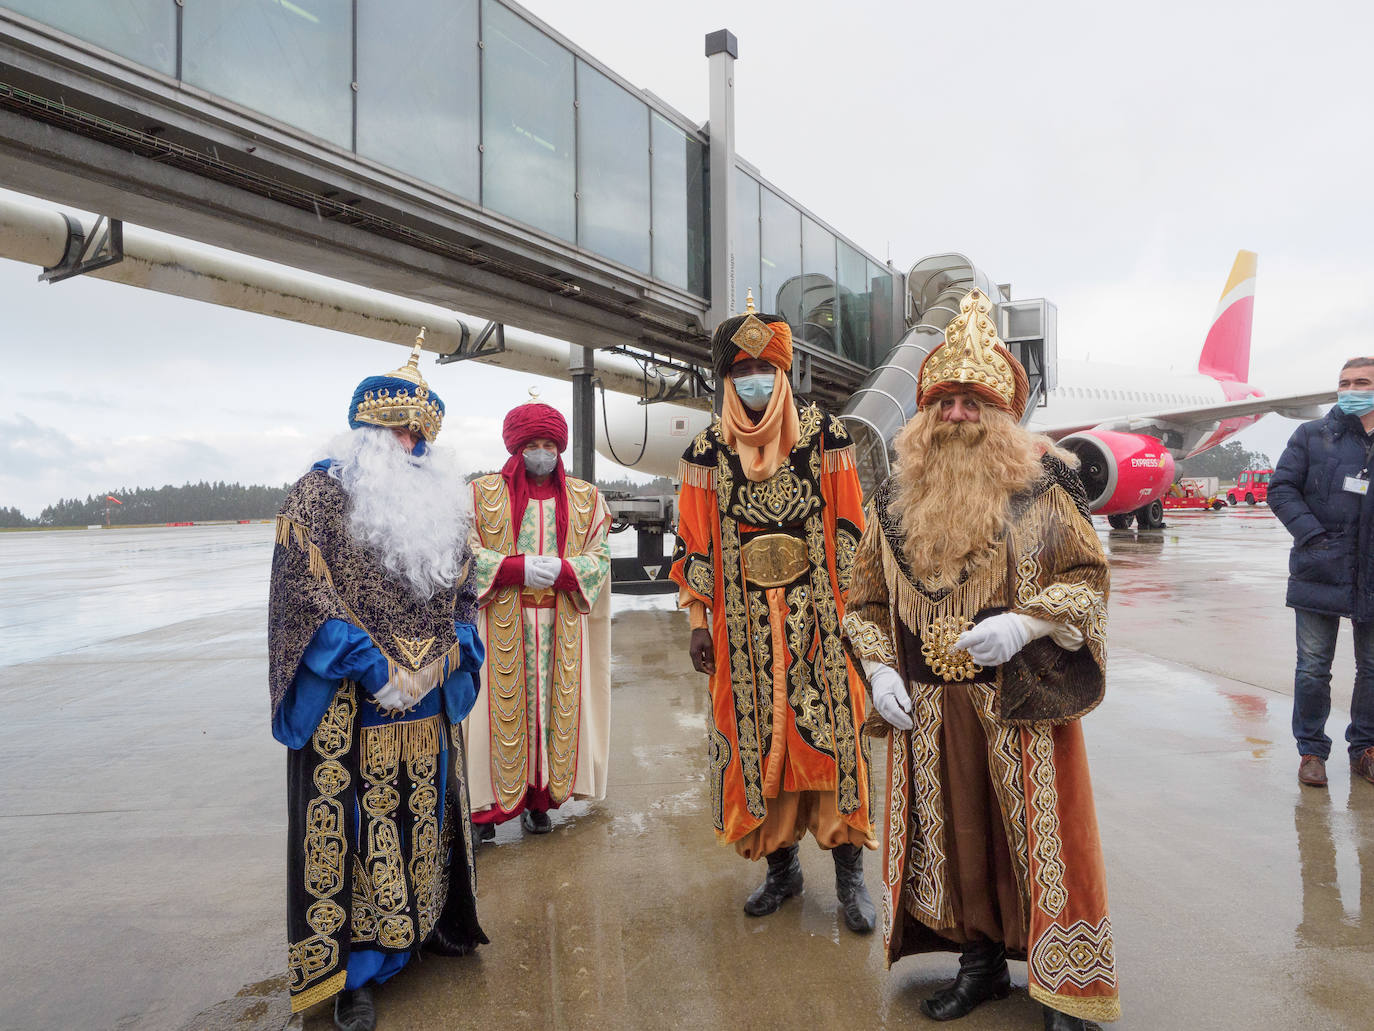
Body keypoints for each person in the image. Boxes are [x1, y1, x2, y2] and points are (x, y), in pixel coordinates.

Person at [843, 290, 1118, 1029]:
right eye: (946, 401)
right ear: (925, 413)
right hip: (931, 707)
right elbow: (863, 604)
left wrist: (1029, 625)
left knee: (1042, 841)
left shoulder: (1046, 488)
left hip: (1020, 697)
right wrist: (879, 670)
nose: (958, 415)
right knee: (959, 837)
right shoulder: (893, 505)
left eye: (973, 401)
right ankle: (980, 964)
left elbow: (1088, 580)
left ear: (1001, 414)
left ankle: (1069, 984)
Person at [267, 336, 487, 1031]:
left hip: (423, 705)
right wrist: (374, 667)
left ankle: (417, 934)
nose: (413, 445)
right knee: (360, 835)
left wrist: (442, 662)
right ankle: (355, 973)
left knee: (421, 825)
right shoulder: (319, 495)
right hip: (354, 706)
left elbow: (464, 597)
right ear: (367, 431)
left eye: (422, 434)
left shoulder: (445, 507)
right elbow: (302, 596)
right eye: (400, 431)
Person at [669, 297, 877, 933]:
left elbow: (850, 531)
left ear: (785, 374)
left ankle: (849, 877)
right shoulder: (708, 451)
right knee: (759, 751)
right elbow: (694, 543)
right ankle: (780, 870)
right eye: (741, 371)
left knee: (836, 742)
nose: (754, 381)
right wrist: (699, 626)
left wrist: (858, 623)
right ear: (725, 380)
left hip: (821, 621)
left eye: (766, 368)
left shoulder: (824, 437)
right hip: (741, 631)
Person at [463, 397, 612, 836]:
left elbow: (600, 554)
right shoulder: (482, 494)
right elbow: (464, 550)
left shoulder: (586, 498)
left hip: (561, 623)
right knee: (499, 718)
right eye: (534, 442)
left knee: (552, 715)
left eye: (550, 443)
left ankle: (540, 800)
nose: (543, 451)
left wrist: (568, 571)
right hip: (503, 621)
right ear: (517, 446)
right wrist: (513, 568)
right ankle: (486, 809)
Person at [1269, 356, 1374, 788]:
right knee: (1313, 667)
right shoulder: (1313, 435)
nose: (1351, 390)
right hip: (1320, 567)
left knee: (1371, 667)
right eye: (1345, 382)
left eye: (1362, 382)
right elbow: (1281, 488)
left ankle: (1365, 748)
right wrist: (1312, 535)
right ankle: (1311, 751)